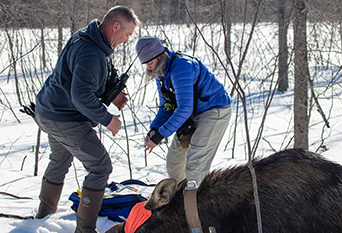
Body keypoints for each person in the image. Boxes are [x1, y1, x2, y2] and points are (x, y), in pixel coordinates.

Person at [34, 6, 140, 233]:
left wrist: (112, 94)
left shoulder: (87, 36)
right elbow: (81, 95)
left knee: (60, 160)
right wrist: (108, 119)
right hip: (63, 117)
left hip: (48, 110)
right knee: (100, 166)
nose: (126, 40)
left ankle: (43, 216)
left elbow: (83, 79)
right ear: (115, 26)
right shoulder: (92, 52)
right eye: (127, 34)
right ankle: (85, 229)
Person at [136, 35, 232, 185]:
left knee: (195, 165)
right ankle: (180, 201)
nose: (149, 67)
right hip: (191, 113)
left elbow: (184, 109)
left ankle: (196, 205)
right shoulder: (161, 73)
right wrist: (155, 128)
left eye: (151, 62)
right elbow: (167, 106)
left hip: (214, 110)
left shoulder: (181, 67)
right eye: (145, 64)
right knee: (174, 162)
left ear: (160, 56)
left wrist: (161, 134)